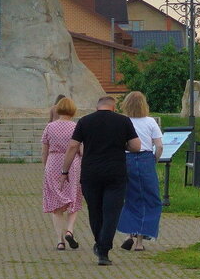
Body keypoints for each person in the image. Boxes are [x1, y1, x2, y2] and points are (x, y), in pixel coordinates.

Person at [61, 96, 140, 266]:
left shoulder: (85, 121)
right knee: (111, 213)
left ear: (97, 107)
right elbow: (136, 146)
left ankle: (99, 242)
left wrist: (64, 171)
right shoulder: (123, 121)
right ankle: (104, 250)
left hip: (91, 174)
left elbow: (73, 146)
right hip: (116, 174)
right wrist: (122, 145)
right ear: (113, 107)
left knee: (95, 211)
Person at [116, 91, 163, 251]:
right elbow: (159, 145)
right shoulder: (150, 122)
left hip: (126, 159)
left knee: (130, 197)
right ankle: (140, 241)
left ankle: (129, 234)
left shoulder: (123, 121)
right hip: (145, 159)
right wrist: (154, 160)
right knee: (151, 199)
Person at [41, 96, 83, 251]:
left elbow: (44, 151)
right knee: (74, 198)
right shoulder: (76, 127)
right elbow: (81, 150)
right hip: (72, 164)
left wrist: (46, 167)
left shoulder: (49, 127)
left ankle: (60, 241)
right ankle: (70, 230)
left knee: (55, 204)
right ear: (72, 110)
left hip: (53, 163)